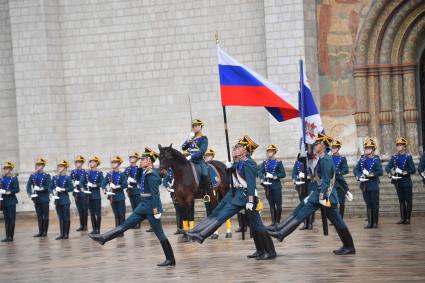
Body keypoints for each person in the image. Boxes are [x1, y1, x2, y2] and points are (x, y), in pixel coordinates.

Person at [182, 135, 276, 260]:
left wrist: (250, 200)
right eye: (235, 147)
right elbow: (235, 170)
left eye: (239, 148)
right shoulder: (240, 163)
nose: (235, 149)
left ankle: (270, 251)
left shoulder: (250, 164)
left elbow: (251, 184)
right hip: (236, 195)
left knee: (256, 225)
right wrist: (230, 167)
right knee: (253, 224)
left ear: (246, 151)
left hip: (245, 197)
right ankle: (260, 250)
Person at [269, 133, 356, 255]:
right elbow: (330, 177)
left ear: (324, 146)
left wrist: (323, 195)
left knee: (337, 221)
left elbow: (327, 179)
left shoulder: (326, 160)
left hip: (326, 196)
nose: (315, 145)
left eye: (317, 143)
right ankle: (281, 233)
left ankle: (349, 246)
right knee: (302, 211)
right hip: (318, 194)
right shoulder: (323, 159)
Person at [89, 147, 176, 267]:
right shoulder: (145, 171)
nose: (141, 160)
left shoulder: (152, 174)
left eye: (143, 159)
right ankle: (104, 238)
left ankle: (170, 259)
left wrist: (156, 210)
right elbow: (137, 179)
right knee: (125, 224)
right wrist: (140, 168)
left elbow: (155, 194)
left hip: (151, 208)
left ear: (149, 161)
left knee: (160, 234)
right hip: (142, 206)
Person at [353, 138, 383, 229]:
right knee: (368, 204)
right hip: (364, 185)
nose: (367, 150)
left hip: (373, 185)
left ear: (373, 149)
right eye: (366, 148)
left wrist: (371, 174)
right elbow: (356, 170)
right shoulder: (362, 159)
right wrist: (359, 175)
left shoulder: (376, 160)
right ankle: (370, 223)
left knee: (374, 204)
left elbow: (380, 172)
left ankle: (375, 223)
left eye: (369, 148)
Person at [385, 137, 416, 224]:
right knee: (401, 200)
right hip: (398, 182)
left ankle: (408, 219)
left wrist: (403, 172)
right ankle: (402, 218)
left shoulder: (408, 157)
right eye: (397, 145)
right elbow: (388, 167)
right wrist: (389, 174)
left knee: (408, 200)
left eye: (400, 145)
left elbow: (413, 170)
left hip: (406, 181)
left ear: (404, 146)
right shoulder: (394, 157)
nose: (398, 147)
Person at [204, 148, 232, 239]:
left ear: (212, 156)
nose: (207, 157)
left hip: (219, 190)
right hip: (207, 192)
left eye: (208, 156)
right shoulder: (203, 167)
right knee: (210, 211)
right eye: (205, 156)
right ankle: (214, 231)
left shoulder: (217, 166)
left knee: (225, 208)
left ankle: (228, 229)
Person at [182, 119, 210, 201]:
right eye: (193, 126)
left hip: (199, 160)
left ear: (200, 127)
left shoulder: (203, 138)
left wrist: (191, 156)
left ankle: (207, 194)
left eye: (196, 126)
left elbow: (202, 151)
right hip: (189, 160)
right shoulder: (191, 138)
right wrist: (188, 139)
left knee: (205, 174)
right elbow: (183, 147)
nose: (194, 127)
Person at [260, 144, 286, 228]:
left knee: (278, 204)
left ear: (274, 152)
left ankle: (278, 221)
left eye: (270, 151)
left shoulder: (278, 163)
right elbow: (260, 172)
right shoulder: (264, 162)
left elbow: (283, 173)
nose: (268, 153)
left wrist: (275, 176)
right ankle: (273, 222)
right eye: (267, 151)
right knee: (271, 205)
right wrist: (263, 176)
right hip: (268, 186)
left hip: (276, 186)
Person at [26, 158, 51, 237]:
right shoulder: (33, 175)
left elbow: (48, 186)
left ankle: (45, 232)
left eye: (39, 165)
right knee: (39, 215)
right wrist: (30, 193)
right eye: (36, 164)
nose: (37, 166)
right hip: (36, 198)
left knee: (45, 215)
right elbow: (28, 186)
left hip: (44, 198)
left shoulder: (47, 176)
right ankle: (40, 231)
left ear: (43, 166)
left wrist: (41, 188)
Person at [102, 156, 127, 235]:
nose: (113, 164)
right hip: (112, 197)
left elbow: (125, 184)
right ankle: (117, 230)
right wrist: (104, 189)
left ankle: (121, 231)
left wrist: (117, 186)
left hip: (120, 196)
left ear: (119, 164)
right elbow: (103, 182)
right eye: (112, 162)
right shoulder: (109, 174)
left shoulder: (122, 174)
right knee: (116, 214)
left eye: (115, 162)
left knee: (121, 214)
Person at [81, 156, 104, 234]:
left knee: (98, 213)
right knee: (92, 213)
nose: (91, 163)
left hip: (96, 196)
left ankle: (98, 229)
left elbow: (102, 183)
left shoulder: (99, 173)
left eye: (93, 162)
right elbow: (81, 182)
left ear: (97, 163)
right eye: (90, 162)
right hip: (89, 196)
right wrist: (83, 188)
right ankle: (94, 229)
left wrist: (95, 185)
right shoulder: (86, 173)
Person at [50, 160, 73, 240]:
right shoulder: (55, 177)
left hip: (65, 200)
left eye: (61, 166)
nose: (59, 168)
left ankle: (66, 234)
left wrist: (62, 189)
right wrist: (51, 193)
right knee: (60, 217)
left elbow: (71, 188)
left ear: (65, 168)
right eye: (59, 166)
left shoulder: (67, 178)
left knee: (66, 217)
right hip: (57, 200)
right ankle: (61, 233)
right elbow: (50, 186)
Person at [330, 139, 352, 219]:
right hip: (331, 182)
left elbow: (346, 170)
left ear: (338, 148)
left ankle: (340, 218)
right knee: (333, 202)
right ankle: (335, 218)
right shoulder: (329, 158)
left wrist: (338, 172)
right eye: (332, 147)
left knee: (341, 201)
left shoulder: (342, 158)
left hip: (339, 182)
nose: (333, 149)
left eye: (335, 148)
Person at [1, 161, 19, 242]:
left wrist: (7, 192)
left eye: (7, 168)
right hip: (4, 201)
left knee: (11, 219)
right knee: (6, 219)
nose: (5, 170)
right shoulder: (1, 178)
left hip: (11, 201)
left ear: (11, 169)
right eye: (4, 168)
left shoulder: (14, 178)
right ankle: (7, 236)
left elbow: (16, 189)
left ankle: (11, 236)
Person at [71, 155, 89, 231]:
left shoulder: (85, 172)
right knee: (80, 210)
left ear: (82, 163)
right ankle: (81, 225)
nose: (77, 163)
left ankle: (85, 225)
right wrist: (74, 183)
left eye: (78, 162)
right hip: (76, 193)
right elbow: (69, 180)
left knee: (84, 209)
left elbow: (87, 181)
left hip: (83, 192)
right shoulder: (73, 172)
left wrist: (80, 183)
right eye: (76, 162)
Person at [162, 168, 182, 235]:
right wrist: (168, 188)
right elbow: (164, 181)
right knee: (178, 211)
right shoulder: (170, 172)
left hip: (183, 193)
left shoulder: (181, 170)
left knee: (185, 211)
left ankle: (186, 228)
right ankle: (179, 228)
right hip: (174, 194)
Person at [125, 152, 142, 229]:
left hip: (137, 190)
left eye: (133, 157)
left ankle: (138, 223)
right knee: (133, 207)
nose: (131, 159)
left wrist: (134, 181)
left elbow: (141, 179)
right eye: (130, 157)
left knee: (138, 207)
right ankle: (135, 223)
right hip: (131, 190)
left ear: (136, 159)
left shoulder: (139, 169)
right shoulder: (127, 169)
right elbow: (123, 178)